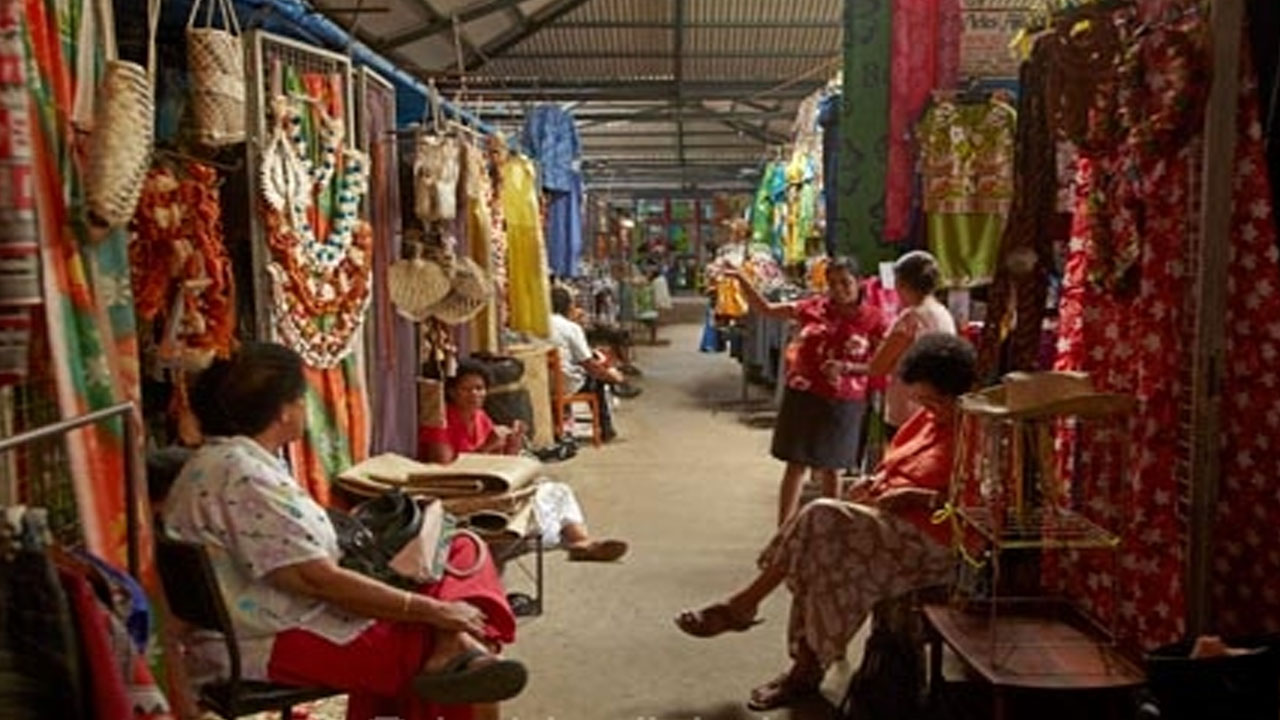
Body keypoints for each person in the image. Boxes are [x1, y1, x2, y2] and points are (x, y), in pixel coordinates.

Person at [163, 342, 527, 720]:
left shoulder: (228, 462)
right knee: (462, 651)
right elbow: (316, 580)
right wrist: (433, 611)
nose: (305, 407)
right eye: (301, 399)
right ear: (284, 410)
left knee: (463, 547)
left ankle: (452, 642)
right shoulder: (242, 475)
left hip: (290, 614)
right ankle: (455, 645)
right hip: (272, 636)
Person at [674, 334, 976, 711]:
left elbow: (981, 507)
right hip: (892, 527)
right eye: (923, 401)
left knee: (821, 517)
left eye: (934, 401)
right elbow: (894, 467)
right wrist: (874, 483)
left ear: (957, 394)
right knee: (821, 550)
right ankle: (802, 667)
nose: (927, 409)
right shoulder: (926, 422)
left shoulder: (980, 432)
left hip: (934, 543)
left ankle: (748, 609)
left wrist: (917, 497)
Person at [727, 256, 888, 525]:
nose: (839, 289)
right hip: (803, 395)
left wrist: (848, 368)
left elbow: (884, 364)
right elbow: (766, 308)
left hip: (844, 402)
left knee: (832, 468)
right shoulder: (813, 307)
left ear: (859, 282)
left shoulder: (874, 319)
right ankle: (783, 531)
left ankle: (830, 531)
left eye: (845, 282)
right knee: (796, 464)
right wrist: (742, 280)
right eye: (832, 283)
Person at [420, 361, 629, 563]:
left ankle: (581, 542)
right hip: (462, 493)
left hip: (487, 486)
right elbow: (446, 470)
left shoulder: (480, 417)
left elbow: (499, 463)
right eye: (467, 390)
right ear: (452, 392)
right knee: (533, 508)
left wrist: (513, 444)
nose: (475, 394)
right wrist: (487, 446)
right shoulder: (442, 422)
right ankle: (562, 541)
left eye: (479, 389)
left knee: (557, 490)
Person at [867, 250, 958, 435]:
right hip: (934, 406)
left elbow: (877, 367)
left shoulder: (911, 318)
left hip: (907, 409)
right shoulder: (943, 314)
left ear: (901, 283)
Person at [550, 286, 629, 441]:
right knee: (598, 380)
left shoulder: (537, 324)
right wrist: (611, 377)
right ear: (568, 306)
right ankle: (606, 429)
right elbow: (588, 364)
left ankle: (619, 387)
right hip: (566, 383)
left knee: (597, 371)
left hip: (543, 381)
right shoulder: (570, 328)